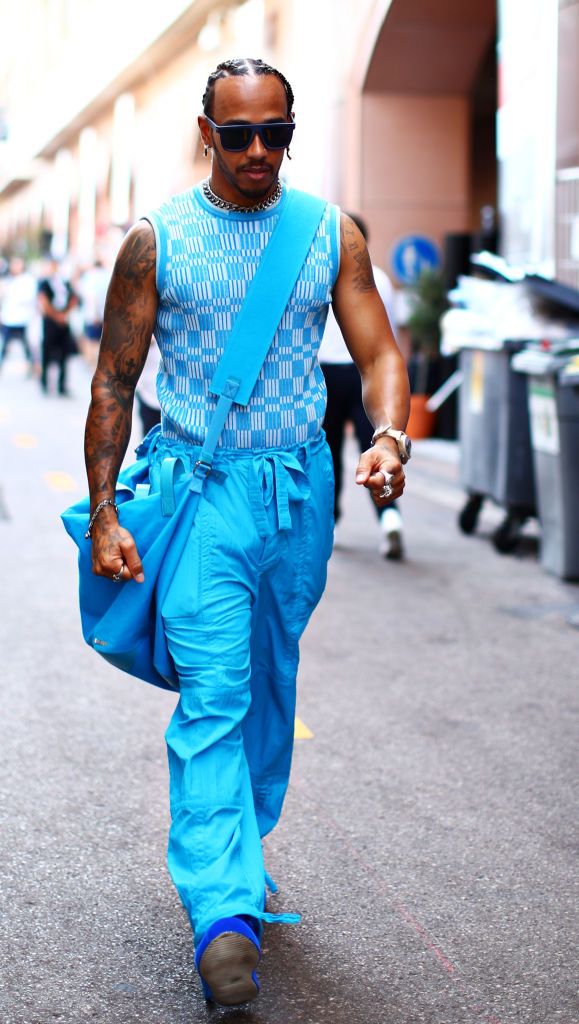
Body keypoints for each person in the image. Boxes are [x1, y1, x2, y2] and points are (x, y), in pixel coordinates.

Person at [82, 57, 410, 1007]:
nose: (259, 151)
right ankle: (222, 909)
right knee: (217, 690)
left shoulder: (327, 233)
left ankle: (241, 846)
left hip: (298, 495)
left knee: (271, 679)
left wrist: (386, 435)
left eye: (277, 133)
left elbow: (379, 350)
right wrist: (105, 510)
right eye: (239, 135)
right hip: (203, 490)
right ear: (206, 132)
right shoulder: (158, 241)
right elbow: (113, 380)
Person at [319, 214, 405, 559]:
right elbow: (390, 334)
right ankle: (390, 518)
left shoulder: (328, 272)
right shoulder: (381, 279)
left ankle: (334, 521)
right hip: (365, 372)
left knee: (333, 449)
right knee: (379, 444)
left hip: (328, 370)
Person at [37, 258, 78, 395]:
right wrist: (56, 316)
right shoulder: (44, 283)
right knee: (47, 353)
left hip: (63, 323)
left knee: (64, 354)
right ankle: (44, 383)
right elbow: (43, 301)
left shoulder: (65, 282)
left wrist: (64, 314)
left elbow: (73, 299)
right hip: (50, 323)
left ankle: (62, 385)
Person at [0, 256, 37, 372]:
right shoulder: (8, 279)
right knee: (5, 345)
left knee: (27, 346)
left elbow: (28, 298)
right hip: (9, 318)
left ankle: (32, 367)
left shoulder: (28, 280)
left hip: (22, 319)